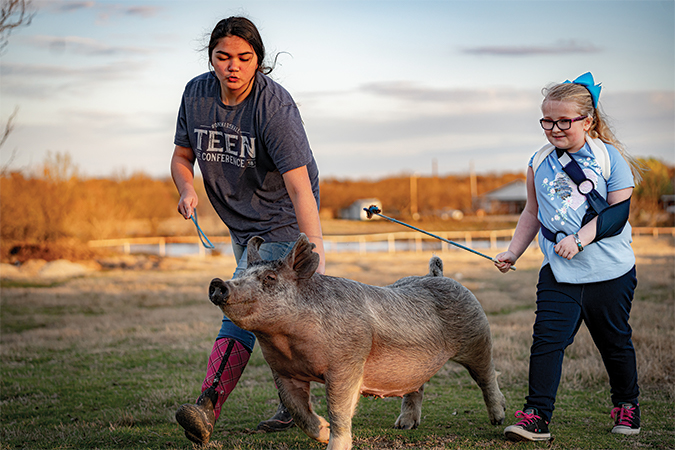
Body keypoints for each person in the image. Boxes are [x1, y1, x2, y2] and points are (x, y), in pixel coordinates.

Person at [170, 16, 325, 445]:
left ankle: (206, 407)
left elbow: (299, 185)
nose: (233, 67)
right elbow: (181, 157)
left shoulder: (274, 106)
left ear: (258, 59)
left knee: (241, 305)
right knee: (281, 317)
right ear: (211, 59)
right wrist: (187, 189)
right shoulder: (196, 94)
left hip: (283, 217)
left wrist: (314, 248)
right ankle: (296, 404)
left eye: (244, 57)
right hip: (240, 222)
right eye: (223, 57)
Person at [494, 72, 643, 442]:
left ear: (587, 120)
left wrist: (579, 239)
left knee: (614, 341)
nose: (554, 129)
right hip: (559, 273)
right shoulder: (539, 160)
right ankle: (536, 416)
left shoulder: (610, 158)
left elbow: (618, 213)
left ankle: (627, 405)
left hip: (610, 271)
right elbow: (532, 212)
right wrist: (513, 251)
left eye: (564, 121)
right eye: (547, 120)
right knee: (547, 340)